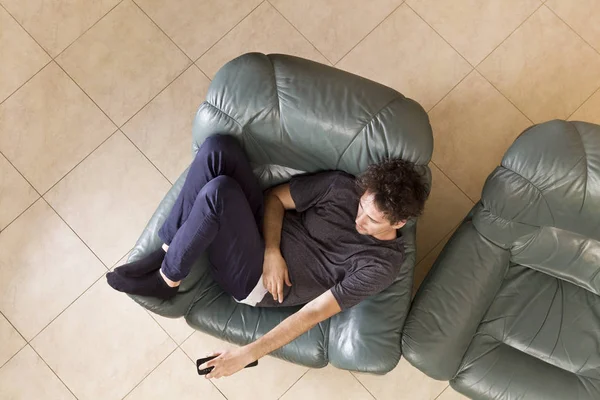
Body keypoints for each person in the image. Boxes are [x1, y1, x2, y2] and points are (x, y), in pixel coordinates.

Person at [106, 134, 428, 379]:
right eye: (362, 207)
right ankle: (166, 251)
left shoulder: (382, 264)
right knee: (219, 148)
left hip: (255, 282)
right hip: (263, 238)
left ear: (398, 223)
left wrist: (246, 354)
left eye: (372, 220)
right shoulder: (344, 187)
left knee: (220, 193)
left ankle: (168, 279)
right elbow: (274, 198)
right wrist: (272, 250)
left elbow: (315, 312)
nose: (359, 219)